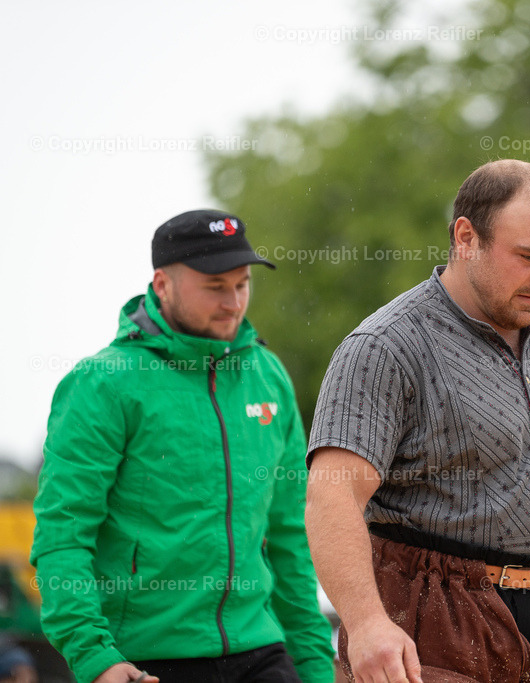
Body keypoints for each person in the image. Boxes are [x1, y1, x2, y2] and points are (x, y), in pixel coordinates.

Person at [305, 159, 530, 682]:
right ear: (466, 237)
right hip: (432, 622)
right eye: (529, 257)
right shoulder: (385, 347)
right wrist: (367, 624)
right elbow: (331, 496)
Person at [31, 210, 335, 683]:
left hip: (262, 650)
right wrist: (95, 659)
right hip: (142, 659)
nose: (233, 302)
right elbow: (62, 536)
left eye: (242, 283)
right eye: (215, 286)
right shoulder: (102, 384)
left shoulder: (267, 377)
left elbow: (290, 535)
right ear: (162, 284)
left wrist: (316, 665)